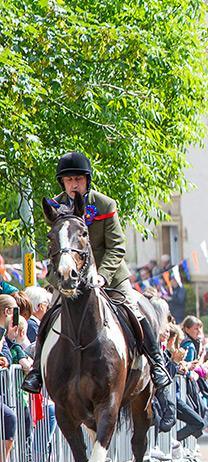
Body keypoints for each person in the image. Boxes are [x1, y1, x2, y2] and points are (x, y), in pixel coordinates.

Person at [21, 152, 176, 430]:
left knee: (136, 312)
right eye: (68, 180)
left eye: (78, 179)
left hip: (109, 276)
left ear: (87, 180)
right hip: (69, 278)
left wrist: (102, 276)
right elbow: (55, 247)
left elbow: (116, 246)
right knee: (49, 315)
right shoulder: (54, 207)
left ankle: (157, 365)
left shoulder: (104, 204)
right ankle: (36, 371)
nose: (73, 185)